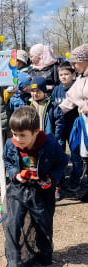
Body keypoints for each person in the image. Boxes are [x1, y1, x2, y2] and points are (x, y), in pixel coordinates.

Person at [3, 106, 68, 267]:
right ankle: (14, 263)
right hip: (19, 188)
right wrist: (15, 175)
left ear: (36, 132)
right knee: (13, 222)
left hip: (42, 191)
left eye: (22, 135)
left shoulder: (50, 144)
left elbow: (62, 162)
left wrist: (51, 179)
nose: (17, 139)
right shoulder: (11, 143)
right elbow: (7, 161)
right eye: (14, 133)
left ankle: (44, 254)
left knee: (43, 223)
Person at [59, 44, 88, 194]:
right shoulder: (81, 79)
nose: (73, 66)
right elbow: (70, 99)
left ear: (85, 61)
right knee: (81, 153)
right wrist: (55, 112)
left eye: (75, 63)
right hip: (83, 122)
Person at [51, 61, 81, 193]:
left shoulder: (76, 88)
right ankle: (59, 182)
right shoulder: (57, 90)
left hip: (73, 128)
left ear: (73, 74)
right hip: (60, 130)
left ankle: (75, 180)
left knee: (75, 155)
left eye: (66, 74)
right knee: (59, 155)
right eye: (61, 74)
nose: (63, 77)